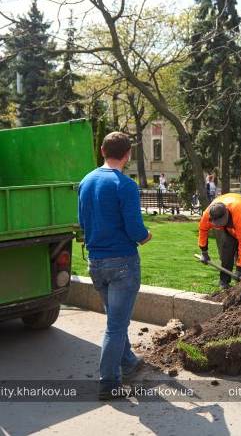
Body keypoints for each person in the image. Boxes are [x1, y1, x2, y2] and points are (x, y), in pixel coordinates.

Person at [78, 132, 152, 399]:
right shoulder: (125, 185)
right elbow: (135, 230)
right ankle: (108, 384)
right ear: (128, 154)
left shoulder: (86, 181)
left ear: (101, 150)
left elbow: (83, 223)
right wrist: (145, 237)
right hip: (122, 263)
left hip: (95, 262)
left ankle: (128, 361)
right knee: (116, 326)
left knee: (114, 318)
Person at [198, 193, 241, 289]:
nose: (219, 225)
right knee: (227, 246)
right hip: (230, 202)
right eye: (217, 224)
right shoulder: (207, 215)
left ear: (226, 214)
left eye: (221, 223)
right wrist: (204, 251)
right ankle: (224, 282)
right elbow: (203, 230)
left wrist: (240, 268)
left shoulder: (238, 212)